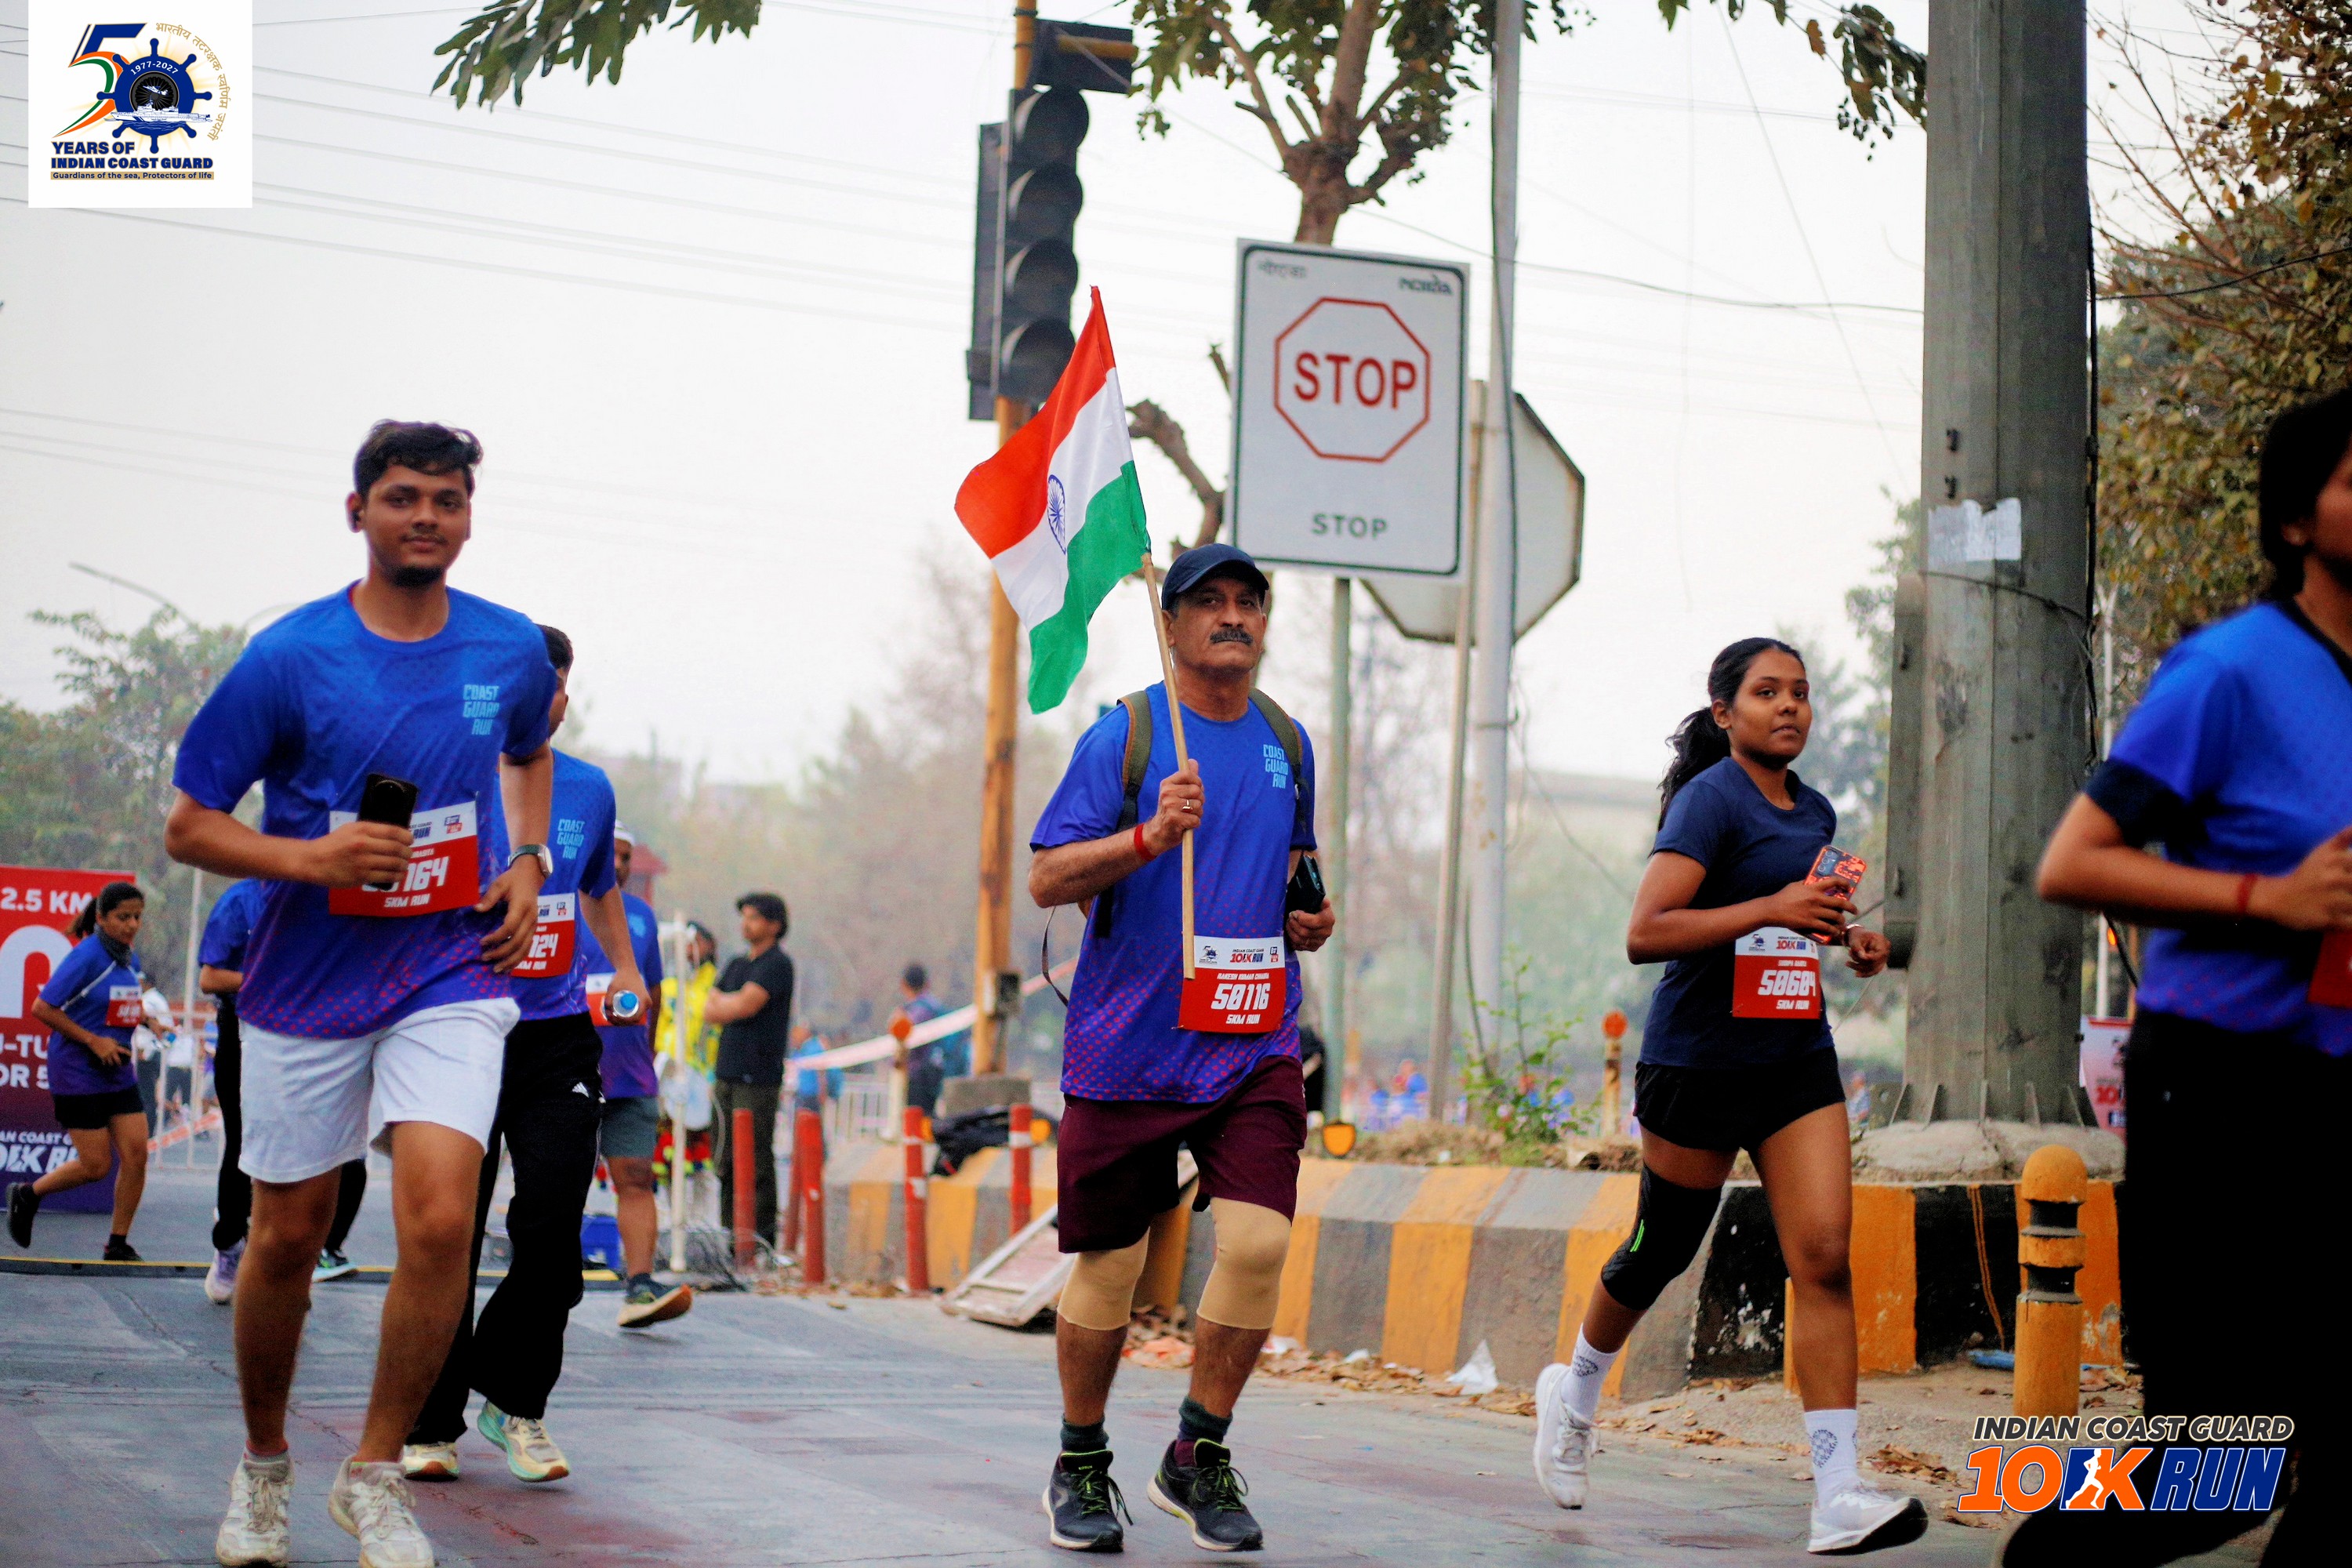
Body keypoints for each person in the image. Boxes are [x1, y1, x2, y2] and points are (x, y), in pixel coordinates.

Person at [165, 419, 557, 1568]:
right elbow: (190, 826)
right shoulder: (290, 658)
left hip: (447, 968)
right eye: (401, 497)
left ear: (469, 517)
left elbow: (528, 753)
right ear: (358, 513)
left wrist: (528, 860)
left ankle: (377, 1473)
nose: (425, 516)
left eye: (446, 498)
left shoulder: (509, 648)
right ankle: (263, 1464)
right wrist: (313, 859)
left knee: (441, 1216)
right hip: (306, 984)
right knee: (287, 1237)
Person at [2021, 390, 2352, 1566]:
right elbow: (2073, 861)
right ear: (2297, 520)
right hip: (2222, 1092)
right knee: (2221, 1468)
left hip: (2336, 1087)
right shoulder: (2233, 670)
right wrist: (2269, 900)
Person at [1529, 637, 1923, 1557]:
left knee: (1823, 1255)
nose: (1788, 706)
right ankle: (1575, 1390)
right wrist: (1772, 906)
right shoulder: (1708, 801)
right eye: (1766, 691)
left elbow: (1796, 916)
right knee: (1659, 1248)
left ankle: (1838, 1491)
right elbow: (1647, 931)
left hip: (1793, 1057)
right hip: (1699, 1061)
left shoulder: (1816, 809)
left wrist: (1848, 938)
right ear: (1725, 712)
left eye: (1800, 692)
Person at [1025, 543, 1334, 1553]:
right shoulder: (1125, 734)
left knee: (1259, 1243)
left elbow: (1297, 864)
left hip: (1253, 1040)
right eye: (1210, 602)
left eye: (1250, 601)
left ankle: (1197, 1454)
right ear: (1172, 623)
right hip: (1129, 1047)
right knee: (1111, 1262)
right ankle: (1080, 1458)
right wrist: (1149, 837)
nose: (1233, 616)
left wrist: (1309, 913)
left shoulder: (1287, 738)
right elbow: (1048, 877)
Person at [404, 624, 650, 1486]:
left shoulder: (589, 788)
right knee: (447, 1237)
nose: (548, 697)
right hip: (457, 1030)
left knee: (550, 1234)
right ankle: (429, 1421)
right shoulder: (446, 774)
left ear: (563, 696)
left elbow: (598, 886)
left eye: (557, 684)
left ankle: (515, 1401)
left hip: (556, 1038)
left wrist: (625, 966)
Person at [198, 879, 373, 1303]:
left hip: (312, 1032)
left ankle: (309, 1256)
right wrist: (273, 980)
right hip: (245, 1031)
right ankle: (230, 1243)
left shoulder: (328, 897)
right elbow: (210, 977)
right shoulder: (241, 900)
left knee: (332, 1150)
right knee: (244, 1141)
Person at [7, 882, 154, 1260]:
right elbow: (43, 1007)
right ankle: (28, 1195)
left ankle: (117, 1243)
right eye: (123, 917)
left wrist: (145, 1019)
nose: (132, 925)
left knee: (137, 1154)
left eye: (137, 917)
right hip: (77, 1072)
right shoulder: (86, 957)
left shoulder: (128, 958)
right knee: (96, 1165)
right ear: (102, 918)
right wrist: (93, 1041)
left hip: (117, 1071)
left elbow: (116, 1003)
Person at [586, 825, 691, 1330]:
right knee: (559, 1180)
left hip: (629, 1077)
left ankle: (641, 1285)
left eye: (627, 857)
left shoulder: (642, 917)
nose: (619, 865)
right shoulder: (558, 905)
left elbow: (654, 994)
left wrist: (645, 1062)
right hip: (567, 1072)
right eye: (611, 854)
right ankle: (543, 1279)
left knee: (635, 1178)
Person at [703, 893, 793, 1250]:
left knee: (755, 1159)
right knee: (724, 1158)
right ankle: (731, 1236)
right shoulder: (738, 964)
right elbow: (710, 1009)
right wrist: (733, 1003)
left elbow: (746, 1005)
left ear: (774, 925)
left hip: (758, 1078)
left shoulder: (777, 965)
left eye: (754, 918)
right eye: (744, 917)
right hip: (726, 1074)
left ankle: (761, 1240)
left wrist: (732, 1003)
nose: (746, 924)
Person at [893, 964, 950, 1116]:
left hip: (919, 1076)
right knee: (928, 1117)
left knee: (916, 1118)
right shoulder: (935, 1007)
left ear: (904, 985)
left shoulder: (914, 1013)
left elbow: (905, 1044)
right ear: (927, 983)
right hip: (937, 1071)